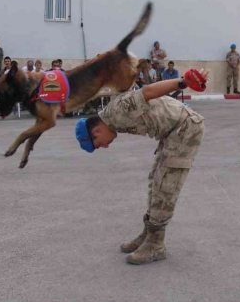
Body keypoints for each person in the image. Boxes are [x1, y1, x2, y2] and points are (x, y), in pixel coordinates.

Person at [74, 71, 207, 265]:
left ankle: (156, 244)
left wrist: (181, 82)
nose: (105, 146)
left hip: (185, 128)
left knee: (166, 186)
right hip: (171, 132)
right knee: (155, 180)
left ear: (96, 131)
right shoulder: (113, 117)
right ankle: (149, 234)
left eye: (99, 144)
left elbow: (149, 91)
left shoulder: (116, 113)